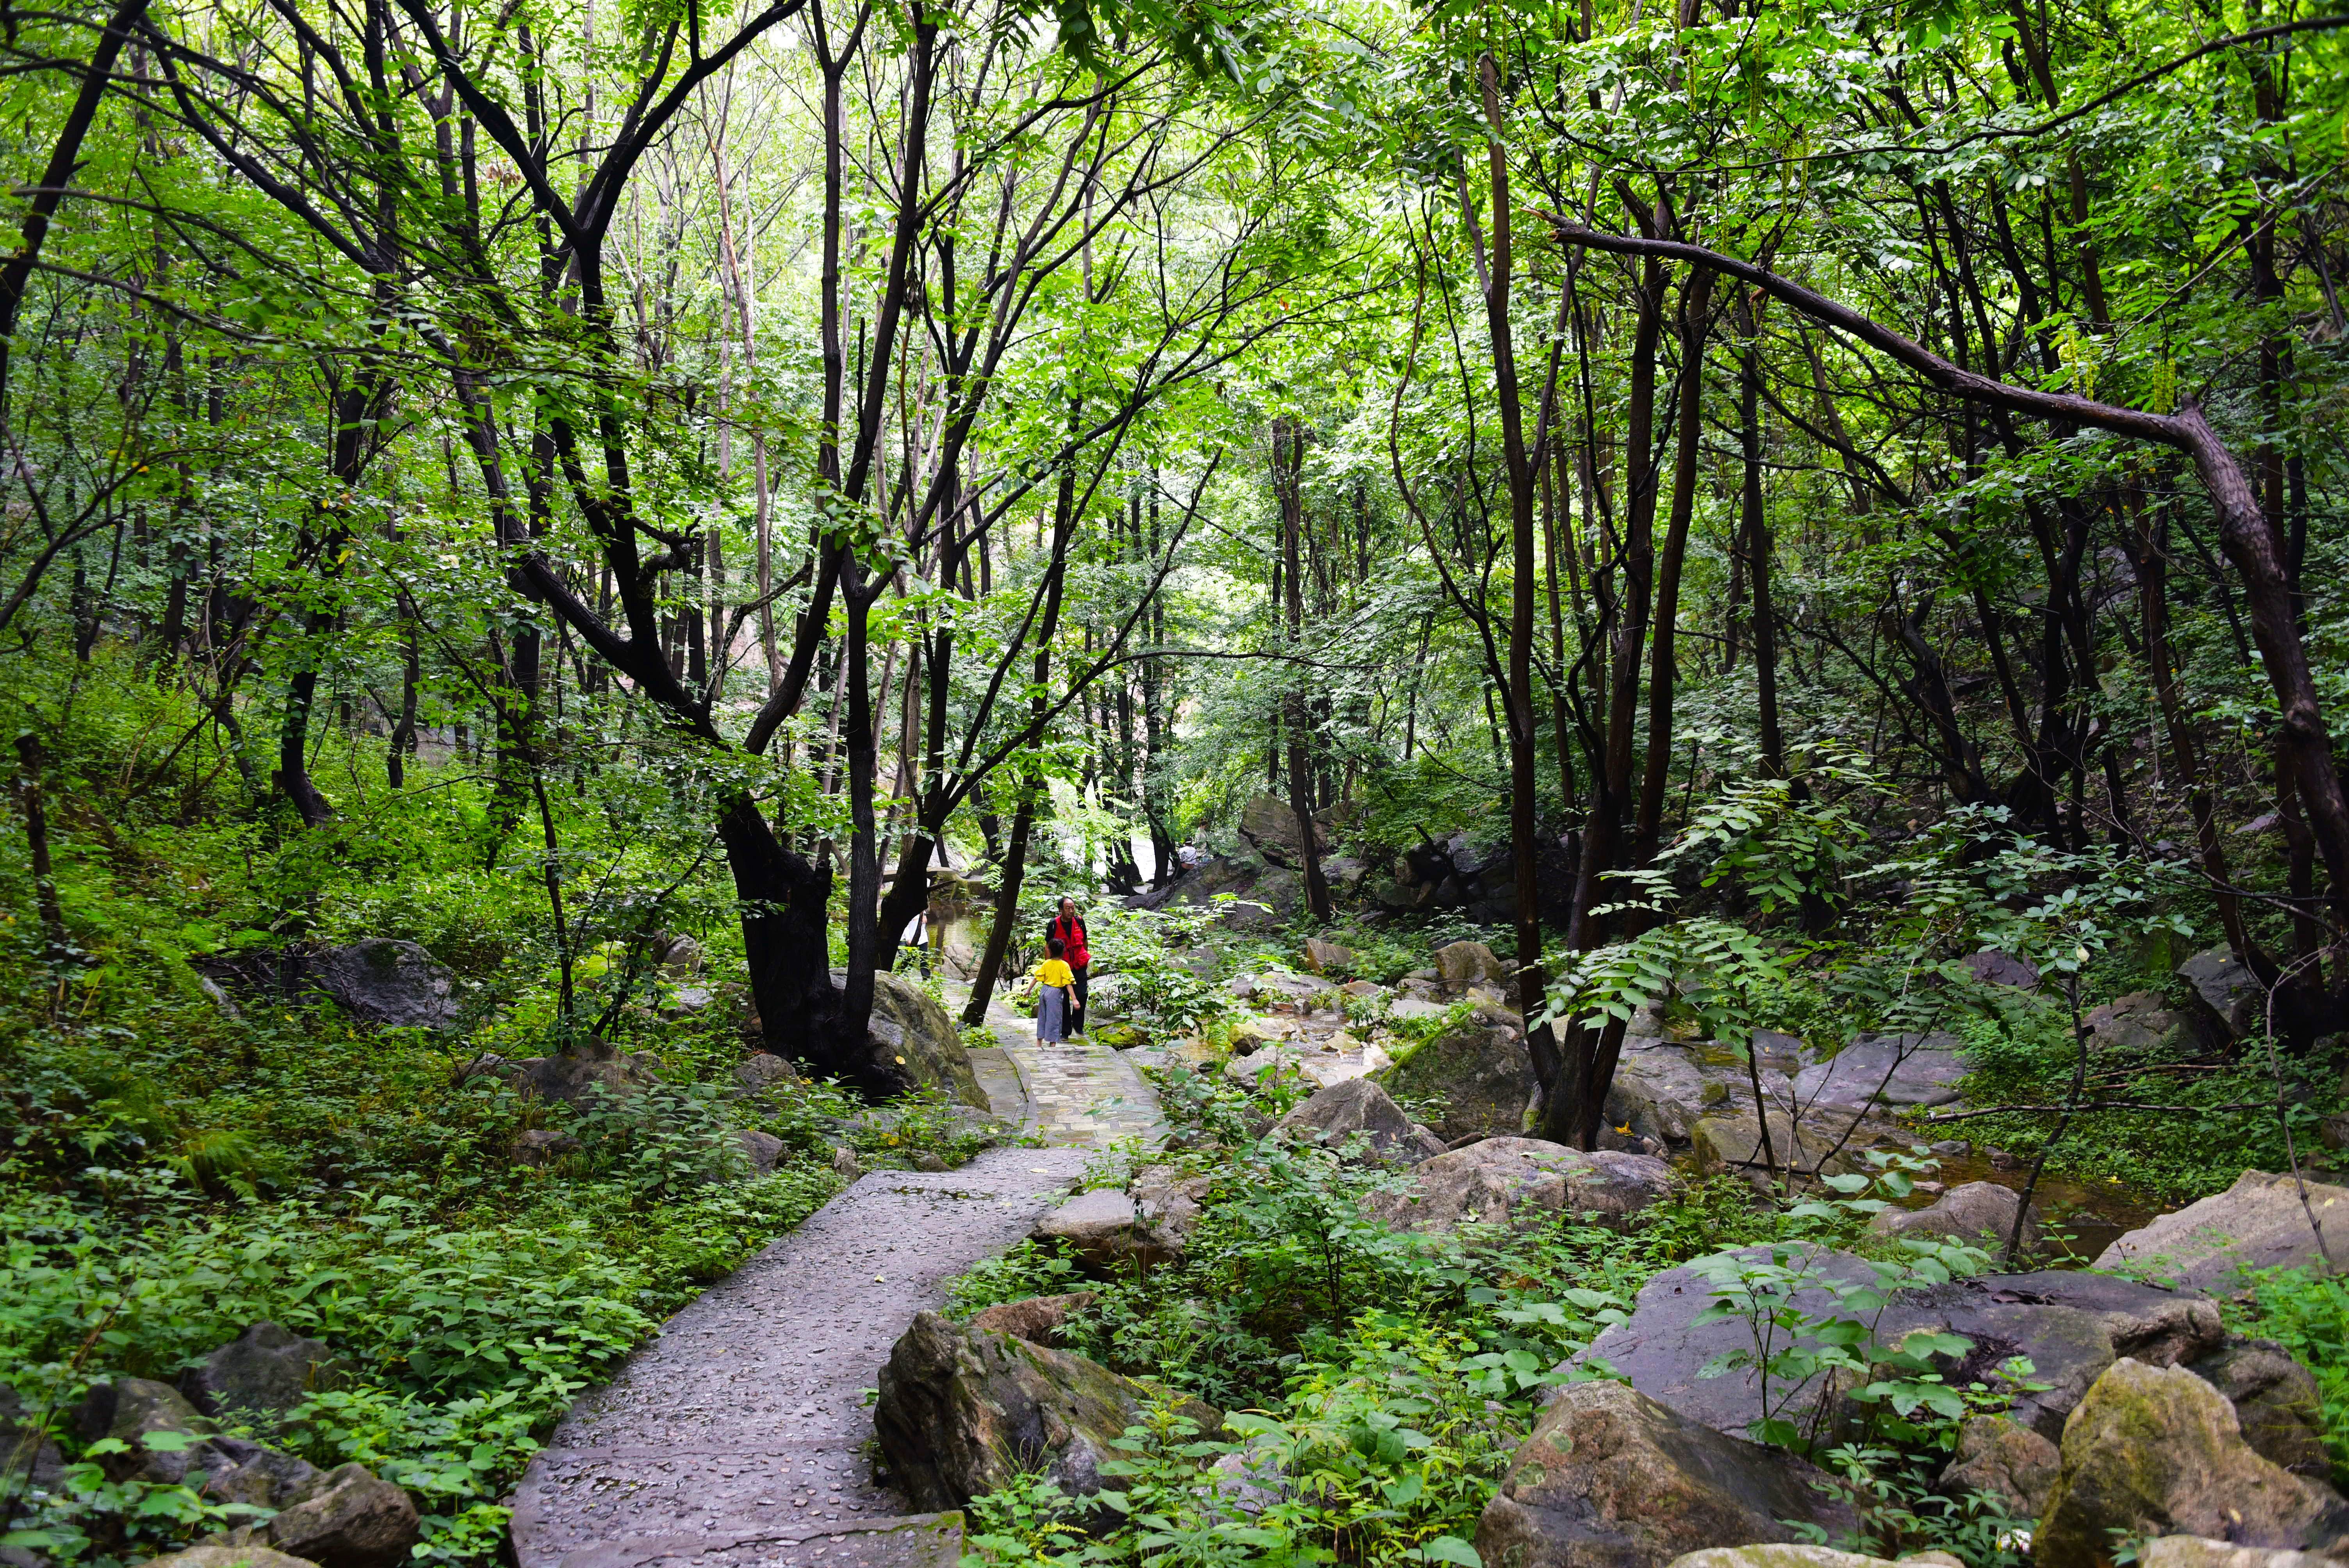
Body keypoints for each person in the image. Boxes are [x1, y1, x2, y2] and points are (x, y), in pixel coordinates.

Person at [1046, 896, 1090, 1034]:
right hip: (1062, 967)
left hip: (1079, 965)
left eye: (1073, 908)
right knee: (1064, 998)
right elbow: (1048, 947)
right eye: (1068, 908)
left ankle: (1078, 1025)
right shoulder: (1054, 924)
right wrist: (1050, 967)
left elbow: (1085, 941)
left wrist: (1085, 957)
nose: (1071, 911)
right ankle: (1065, 1030)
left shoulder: (1079, 921)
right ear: (1061, 910)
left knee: (1083, 994)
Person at [1033, 937, 1074, 1044]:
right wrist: (1074, 999)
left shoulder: (1047, 963)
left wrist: (1028, 990)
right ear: (1063, 951)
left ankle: (1039, 1043)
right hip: (1055, 993)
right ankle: (1052, 1045)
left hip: (1044, 991)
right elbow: (1068, 983)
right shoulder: (1064, 965)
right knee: (1054, 1018)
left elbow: (1037, 977)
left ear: (1050, 951)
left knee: (1042, 1016)